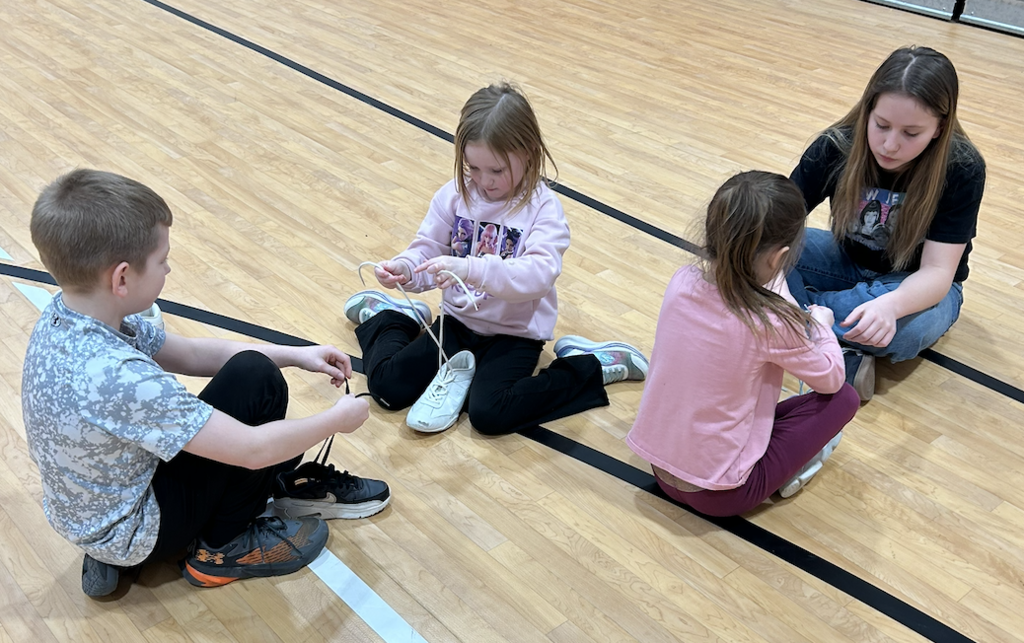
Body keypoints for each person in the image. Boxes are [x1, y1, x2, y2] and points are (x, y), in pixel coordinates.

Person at [22, 169, 390, 598]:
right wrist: (334, 420)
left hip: (92, 513)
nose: (168, 268)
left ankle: (112, 548)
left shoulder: (70, 315)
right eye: (161, 261)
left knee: (253, 368)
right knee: (259, 384)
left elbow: (194, 355)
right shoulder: (119, 378)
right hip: (139, 529)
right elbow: (252, 450)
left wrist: (296, 355)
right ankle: (221, 549)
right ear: (121, 278)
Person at [343, 82, 648, 435]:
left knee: (489, 413)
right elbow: (429, 250)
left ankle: (593, 364)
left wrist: (470, 268)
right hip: (457, 322)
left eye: (497, 171)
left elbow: (537, 275)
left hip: (515, 334)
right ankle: (391, 317)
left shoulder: (543, 209)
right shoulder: (455, 195)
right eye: (473, 167)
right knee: (386, 388)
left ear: (529, 152)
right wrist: (407, 270)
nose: (483, 181)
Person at [627, 171, 860, 517]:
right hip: (723, 495)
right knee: (844, 398)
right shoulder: (772, 321)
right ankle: (794, 466)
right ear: (778, 258)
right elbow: (830, 378)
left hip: (660, 472)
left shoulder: (683, 281)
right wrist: (820, 326)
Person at [787, 46, 986, 402]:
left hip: (914, 283)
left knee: (910, 332)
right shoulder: (836, 145)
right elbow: (779, 220)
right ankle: (830, 337)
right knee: (762, 250)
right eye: (880, 125)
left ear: (940, 127)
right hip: (844, 261)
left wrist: (889, 307)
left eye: (911, 133)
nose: (890, 144)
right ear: (867, 111)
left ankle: (789, 320)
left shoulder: (962, 168)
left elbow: (939, 274)